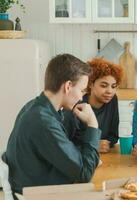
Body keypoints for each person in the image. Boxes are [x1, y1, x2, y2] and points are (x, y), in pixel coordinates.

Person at [4, 54, 100, 195]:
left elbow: (68, 152)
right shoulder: (43, 122)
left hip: (35, 189)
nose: (81, 97)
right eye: (81, 90)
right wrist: (93, 125)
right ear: (68, 86)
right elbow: (84, 173)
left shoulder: (34, 107)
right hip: (38, 196)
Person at [63, 58, 123, 153]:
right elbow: (64, 143)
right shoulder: (75, 103)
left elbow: (113, 136)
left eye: (113, 86)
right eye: (103, 85)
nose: (110, 91)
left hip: (103, 156)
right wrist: (92, 144)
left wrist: (104, 144)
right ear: (90, 84)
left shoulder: (112, 100)